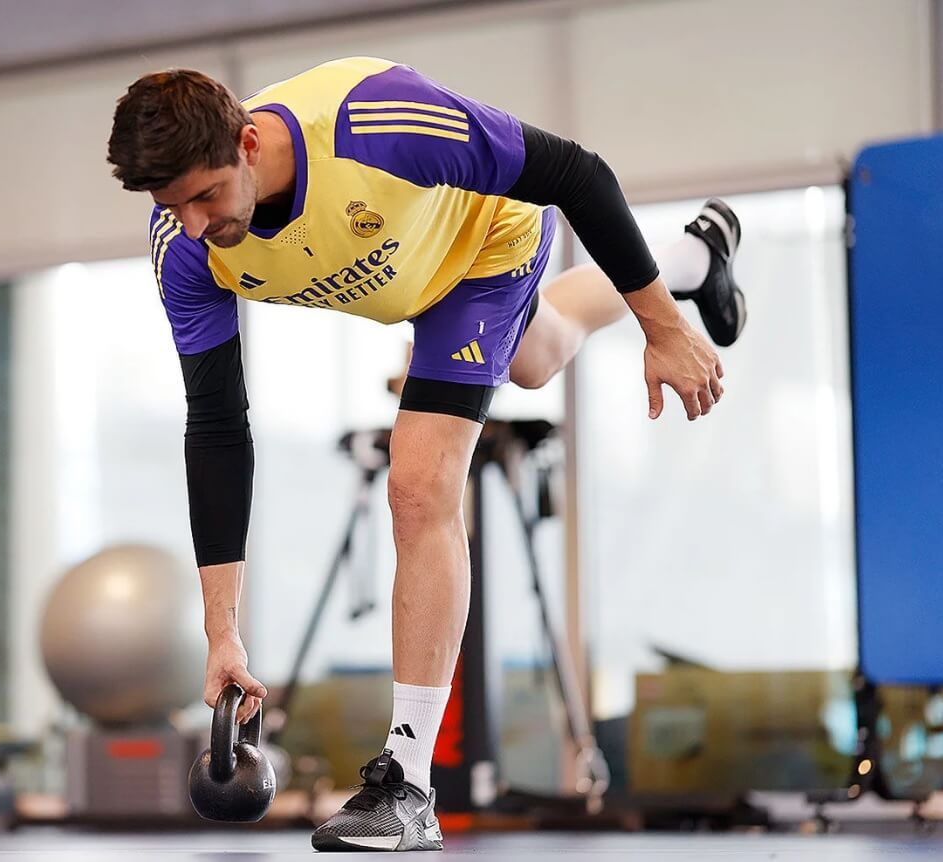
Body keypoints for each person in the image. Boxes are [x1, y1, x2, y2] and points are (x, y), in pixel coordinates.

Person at [106, 56, 745, 852]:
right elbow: (216, 425)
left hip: (484, 244)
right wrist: (222, 632)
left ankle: (406, 787)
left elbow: (576, 173)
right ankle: (693, 259)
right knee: (538, 354)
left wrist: (663, 330)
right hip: (411, 278)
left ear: (247, 142)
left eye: (204, 195)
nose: (194, 223)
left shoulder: (381, 126)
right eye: (173, 206)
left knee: (416, 482)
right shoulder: (184, 246)